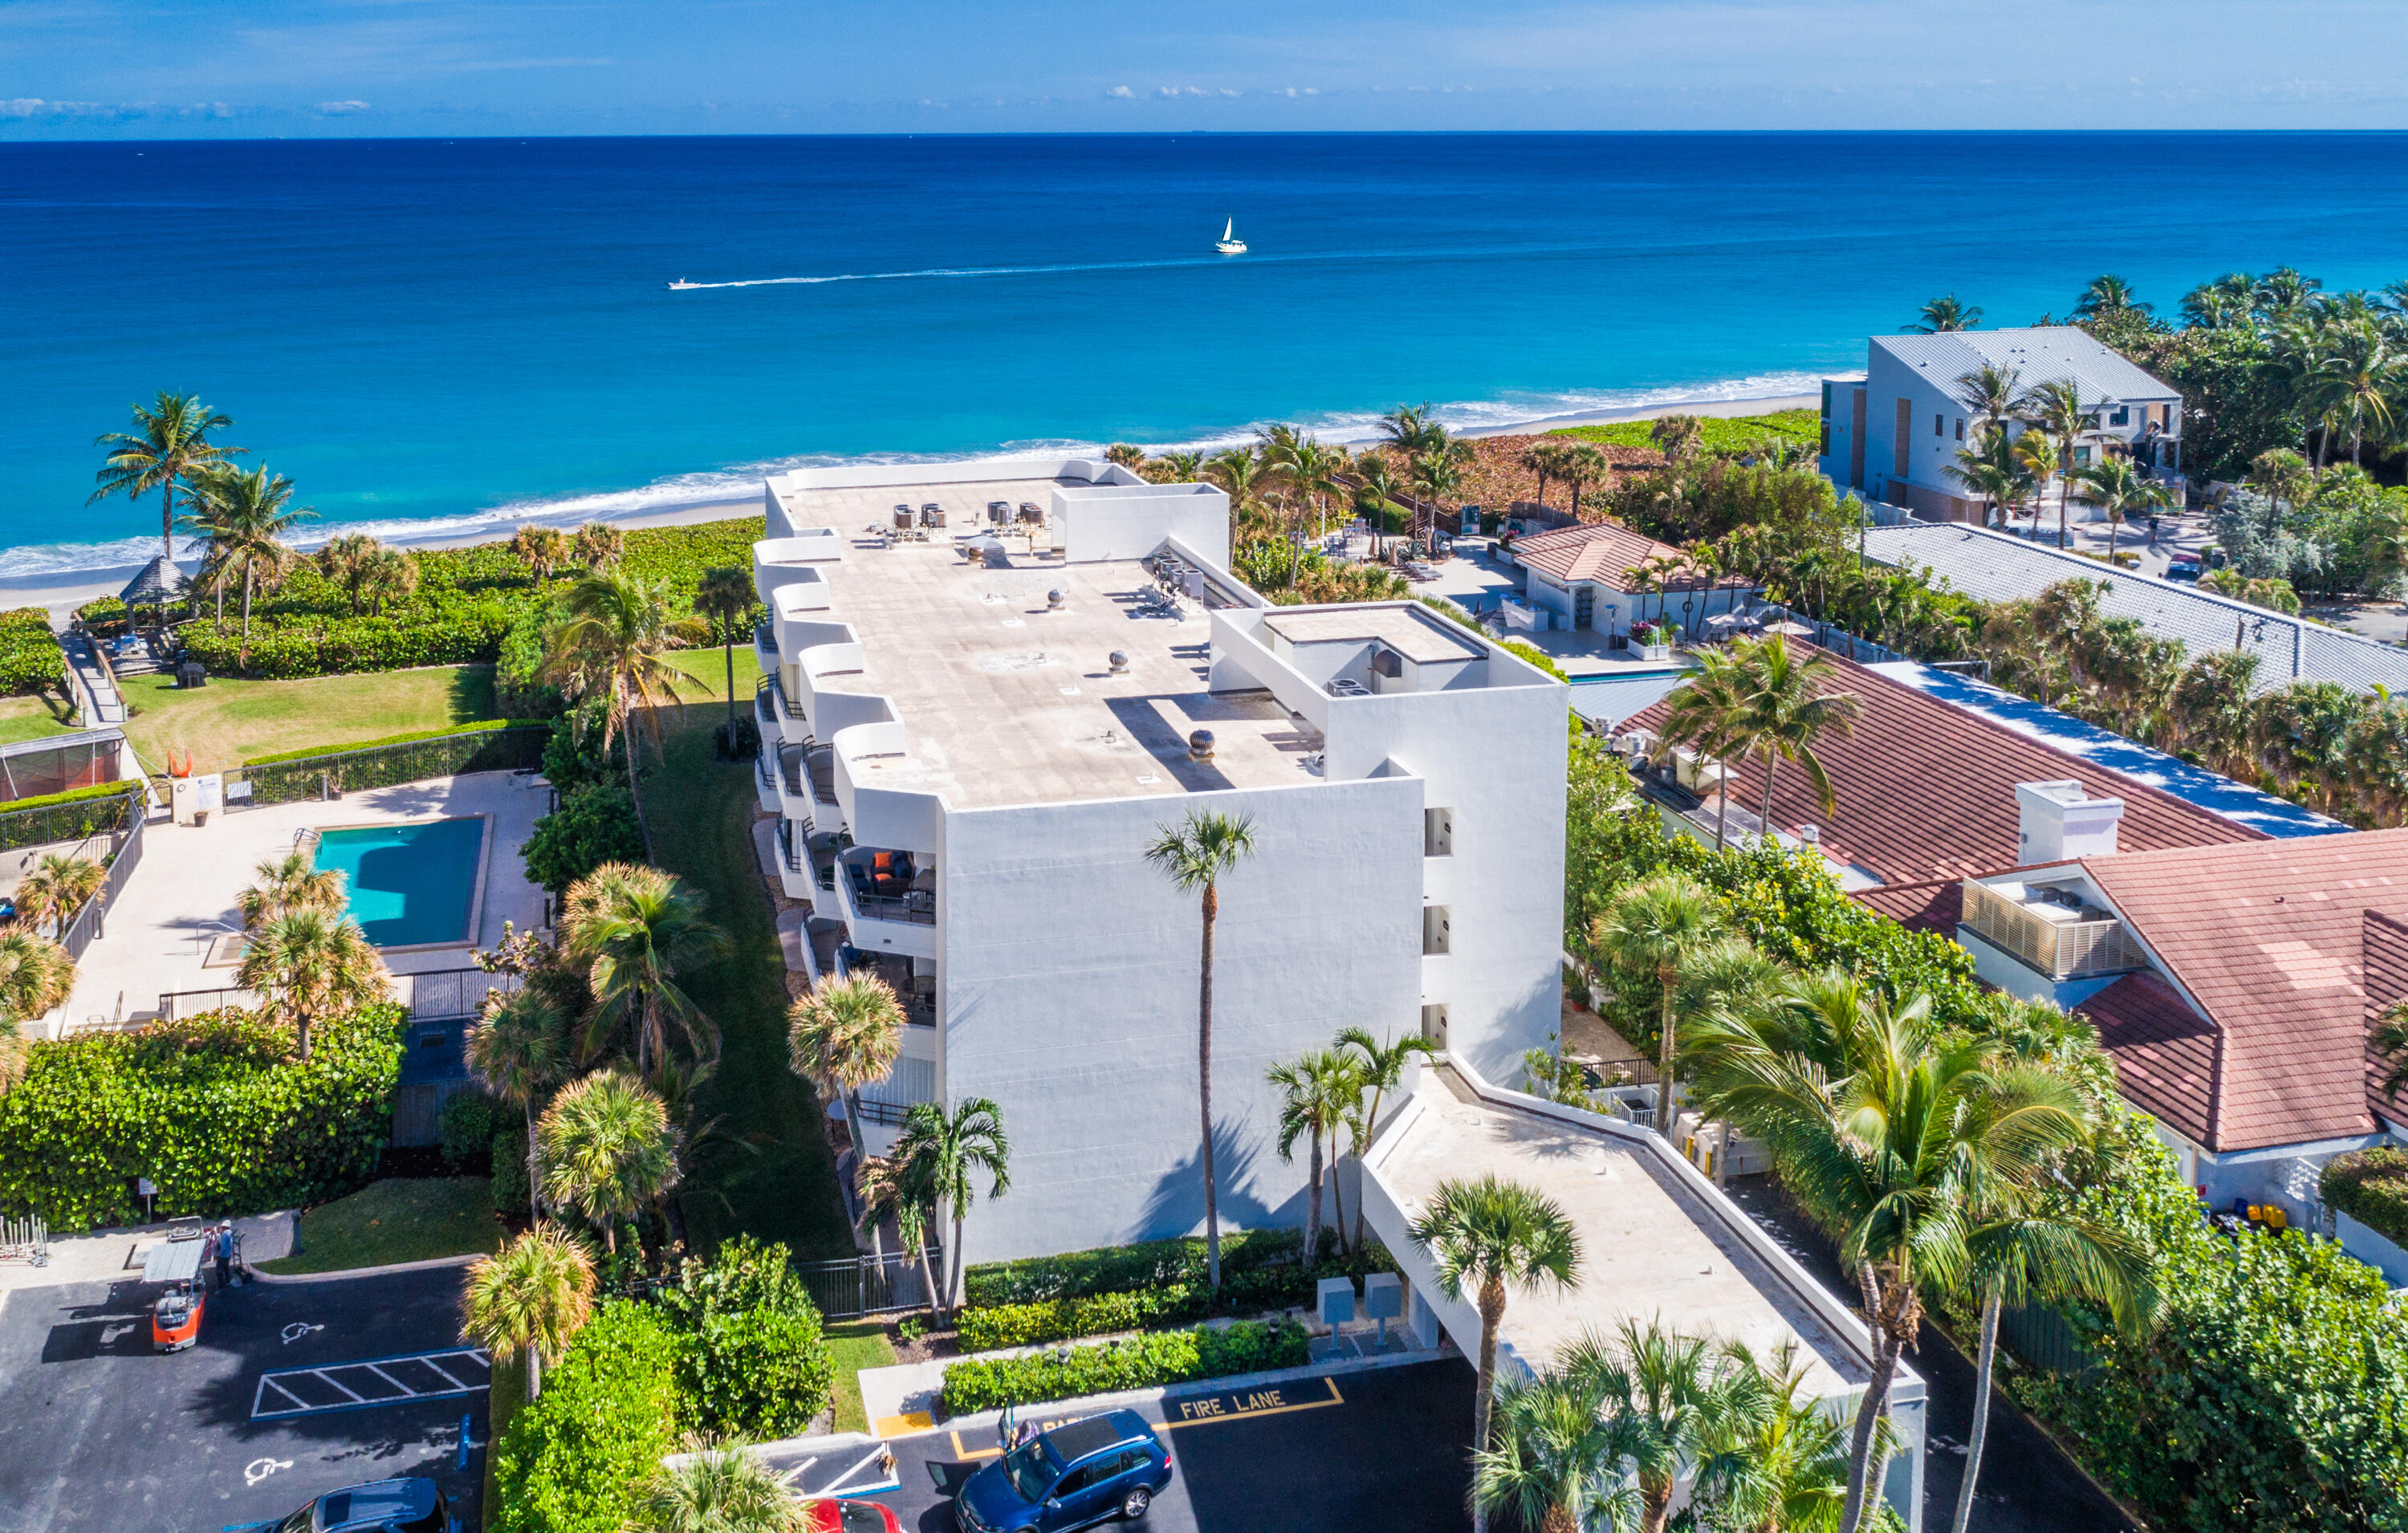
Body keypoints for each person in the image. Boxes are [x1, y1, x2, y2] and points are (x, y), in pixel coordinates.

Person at [214, 1222, 234, 1291]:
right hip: (228, 1255)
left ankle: (221, 1287)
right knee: (226, 1268)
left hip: (223, 1256)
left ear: (223, 1228)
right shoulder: (229, 1233)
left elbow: (223, 1247)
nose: (220, 1229)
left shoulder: (225, 1235)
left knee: (219, 1271)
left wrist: (218, 1255)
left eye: (220, 1228)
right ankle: (228, 1282)